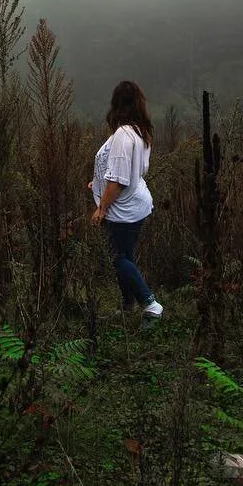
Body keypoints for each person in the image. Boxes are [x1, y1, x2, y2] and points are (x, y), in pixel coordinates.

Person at [89, 80, 163, 322]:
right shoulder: (139, 131)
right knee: (125, 257)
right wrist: (97, 182)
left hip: (123, 209)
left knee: (116, 258)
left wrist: (102, 208)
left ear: (116, 103)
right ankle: (127, 306)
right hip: (134, 202)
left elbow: (119, 180)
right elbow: (126, 171)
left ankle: (150, 304)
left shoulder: (123, 134)